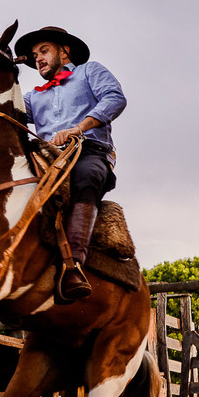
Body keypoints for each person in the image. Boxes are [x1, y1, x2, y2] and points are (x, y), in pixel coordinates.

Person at [14, 26, 126, 303]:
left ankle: (72, 266)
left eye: (44, 51)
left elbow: (115, 98)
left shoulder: (89, 72)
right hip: (46, 155)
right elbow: (6, 111)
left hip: (88, 150)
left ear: (64, 52)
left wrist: (79, 128)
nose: (37, 58)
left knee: (88, 175)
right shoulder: (33, 96)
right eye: (34, 55)